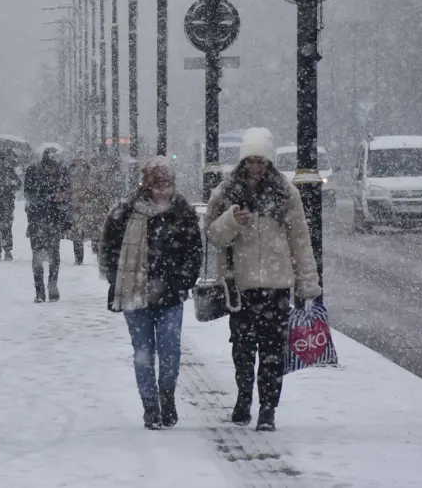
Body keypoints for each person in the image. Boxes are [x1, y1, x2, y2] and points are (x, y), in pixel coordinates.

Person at [204, 127, 321, 432]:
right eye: (250, 160)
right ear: (243, 161)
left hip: (277, 285)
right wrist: (231, 219)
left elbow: (300, 240)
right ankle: (244, 397)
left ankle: (268, 408)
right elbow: (213, 236)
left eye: (261, 161)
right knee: (242, 349)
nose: (255, 166)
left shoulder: (286, 193)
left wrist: (308, 283)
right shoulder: (225, 192)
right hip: (240, 287)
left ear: (269, 162)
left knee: (272, 352)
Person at [100, 156, 202, 429]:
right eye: (157, 184)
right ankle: (149, 406)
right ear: (147, 183)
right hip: (135, 294)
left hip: (170, 296)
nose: (163, 190)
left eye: (167, 184)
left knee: (170, 350)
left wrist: (181, 282)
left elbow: (194, 253)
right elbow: (108, 249)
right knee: (142, 353)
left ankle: (166, 396)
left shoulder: (183, 212)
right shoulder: (125, 211)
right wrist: (117, 278)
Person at [24, 146, 71, 302]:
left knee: (53, 254)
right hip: (37, 219)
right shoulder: (32, 171)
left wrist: (66, 219)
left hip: (53, 219)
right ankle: (39, 291)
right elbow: (29, 194)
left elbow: (67, 196)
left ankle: (52, 286)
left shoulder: (63, 172)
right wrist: (48, 196)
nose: (51, 169)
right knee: (37, 255)